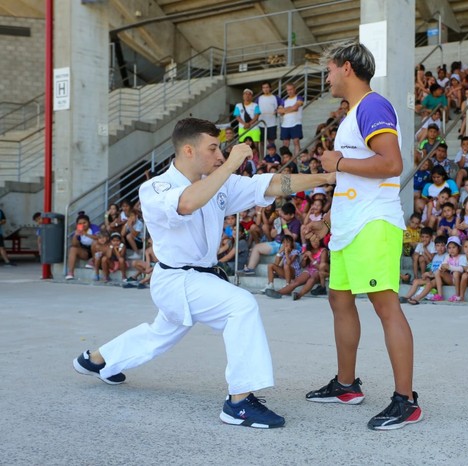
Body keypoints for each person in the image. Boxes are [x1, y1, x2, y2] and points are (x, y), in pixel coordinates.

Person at [72, 117, 334, 429]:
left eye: (221, 149)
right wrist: (232, 163)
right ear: (188, 150)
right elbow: (187, 203)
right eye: (213, 148)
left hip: (199, 279)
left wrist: (328, 177)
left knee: (158, 335)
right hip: (175, 279)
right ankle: (239, 404)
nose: (220, 155)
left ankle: (96, 359)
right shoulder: (155, 187)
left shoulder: (219, 181)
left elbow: (274, 184)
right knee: (241, 306)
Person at [304, 41, 423, 430]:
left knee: (386, 306)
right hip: (350, 224)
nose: (327, 77)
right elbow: (355, 177)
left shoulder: (373, 105)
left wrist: (338, 161)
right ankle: (345, 385)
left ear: (346, 69)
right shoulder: (354, 114)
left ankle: (405, 401)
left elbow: (392, 164)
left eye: (330, 70)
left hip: (374, 223)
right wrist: (329, 221)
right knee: (339, 299)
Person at [278, 84, 304, 155]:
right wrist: (291, 108)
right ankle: (286, 161)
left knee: (296, 142)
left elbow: (295, 107)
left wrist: (285, 110)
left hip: (296, 123)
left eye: (291, 89)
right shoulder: (284, 100)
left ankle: (296, 160)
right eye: (288, 90)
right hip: (285, 125)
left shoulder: (299, 98)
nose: (289, 91)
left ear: (294, 89)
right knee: (285, 144)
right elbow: (279, 111)